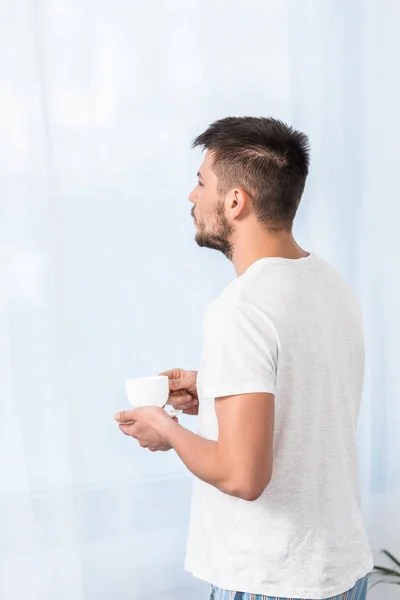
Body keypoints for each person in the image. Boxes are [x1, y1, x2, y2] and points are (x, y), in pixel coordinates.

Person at [115, 117, 373, 600]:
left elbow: (242, 475)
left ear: (236, 201)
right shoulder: (331, 286)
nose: (192, 197)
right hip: (340, 570)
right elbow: (303, 393)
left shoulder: (241, 308)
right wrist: (212, 388)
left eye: (200, 182)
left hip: (270, 581)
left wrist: (166, 428)